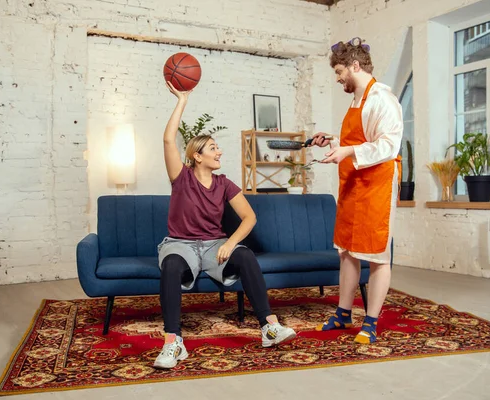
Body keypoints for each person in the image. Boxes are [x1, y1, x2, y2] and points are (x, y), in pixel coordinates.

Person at [154, 81, 296, 369]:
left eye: (218, 148)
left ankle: (269, 327)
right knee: (170, 266)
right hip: (180, 244)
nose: (219, 152)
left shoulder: (224, 183)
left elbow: (250, 217)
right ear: (197, 156)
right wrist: (182, 100)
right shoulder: (181, 177)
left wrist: (230, 243)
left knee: (244, 254)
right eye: (212, 148)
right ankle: (173, 343)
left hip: (214, 246)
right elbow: (169, 141)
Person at [310, 37, 403, 344]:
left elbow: (388, 146)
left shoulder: (382, 99)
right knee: (347, 251)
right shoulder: (357, 99)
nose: (337, 78)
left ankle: (372, 322)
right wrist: (334, 141)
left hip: (377, 185)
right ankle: (343, 313)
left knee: (377, 255)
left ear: (354, 66)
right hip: (353, 184)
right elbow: (359, 141)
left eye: (339, 71)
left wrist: (347, 153)